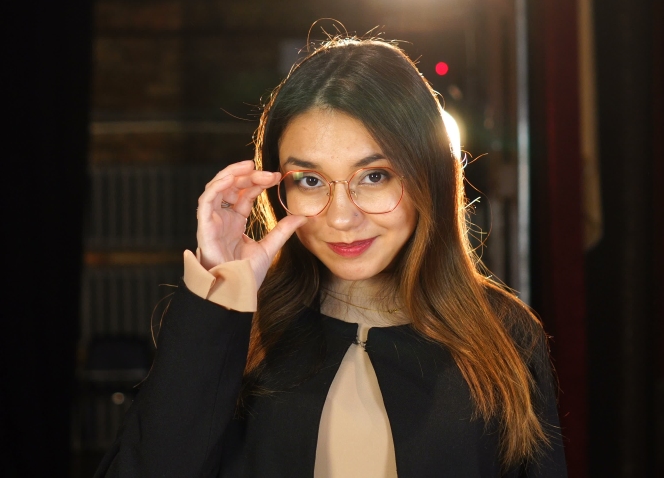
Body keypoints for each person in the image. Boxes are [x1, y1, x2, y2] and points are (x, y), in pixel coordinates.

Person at [95, 36, 566, 478]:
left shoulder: (503, 335)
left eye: (375, 176)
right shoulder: (239, 331)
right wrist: (217, 293)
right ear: (278, 189)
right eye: (311, 180)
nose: (341, 218)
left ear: (429, 177)